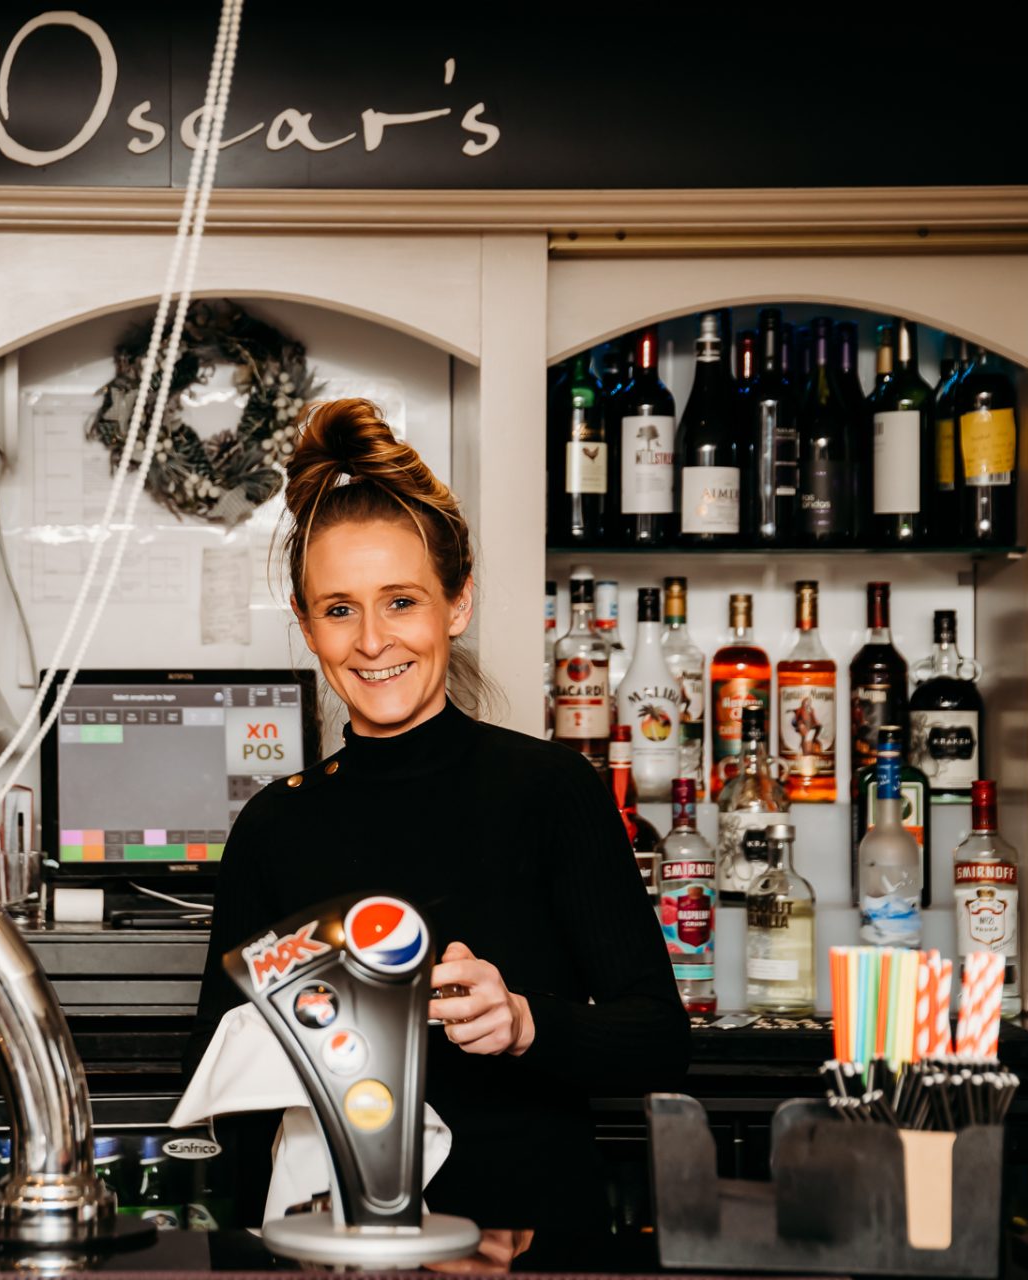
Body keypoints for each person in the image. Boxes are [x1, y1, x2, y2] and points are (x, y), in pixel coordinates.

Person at [187, 398, 689, 1230]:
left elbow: (658, 1039)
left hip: (529, 1239)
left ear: (456, 606)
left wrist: (525, 1022)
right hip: (335, 1247)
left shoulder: (552, 790)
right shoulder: (275, 825)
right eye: (340, 608)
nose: (373, 641)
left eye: (402, 602)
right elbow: (217, 1071)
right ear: (308, 627)